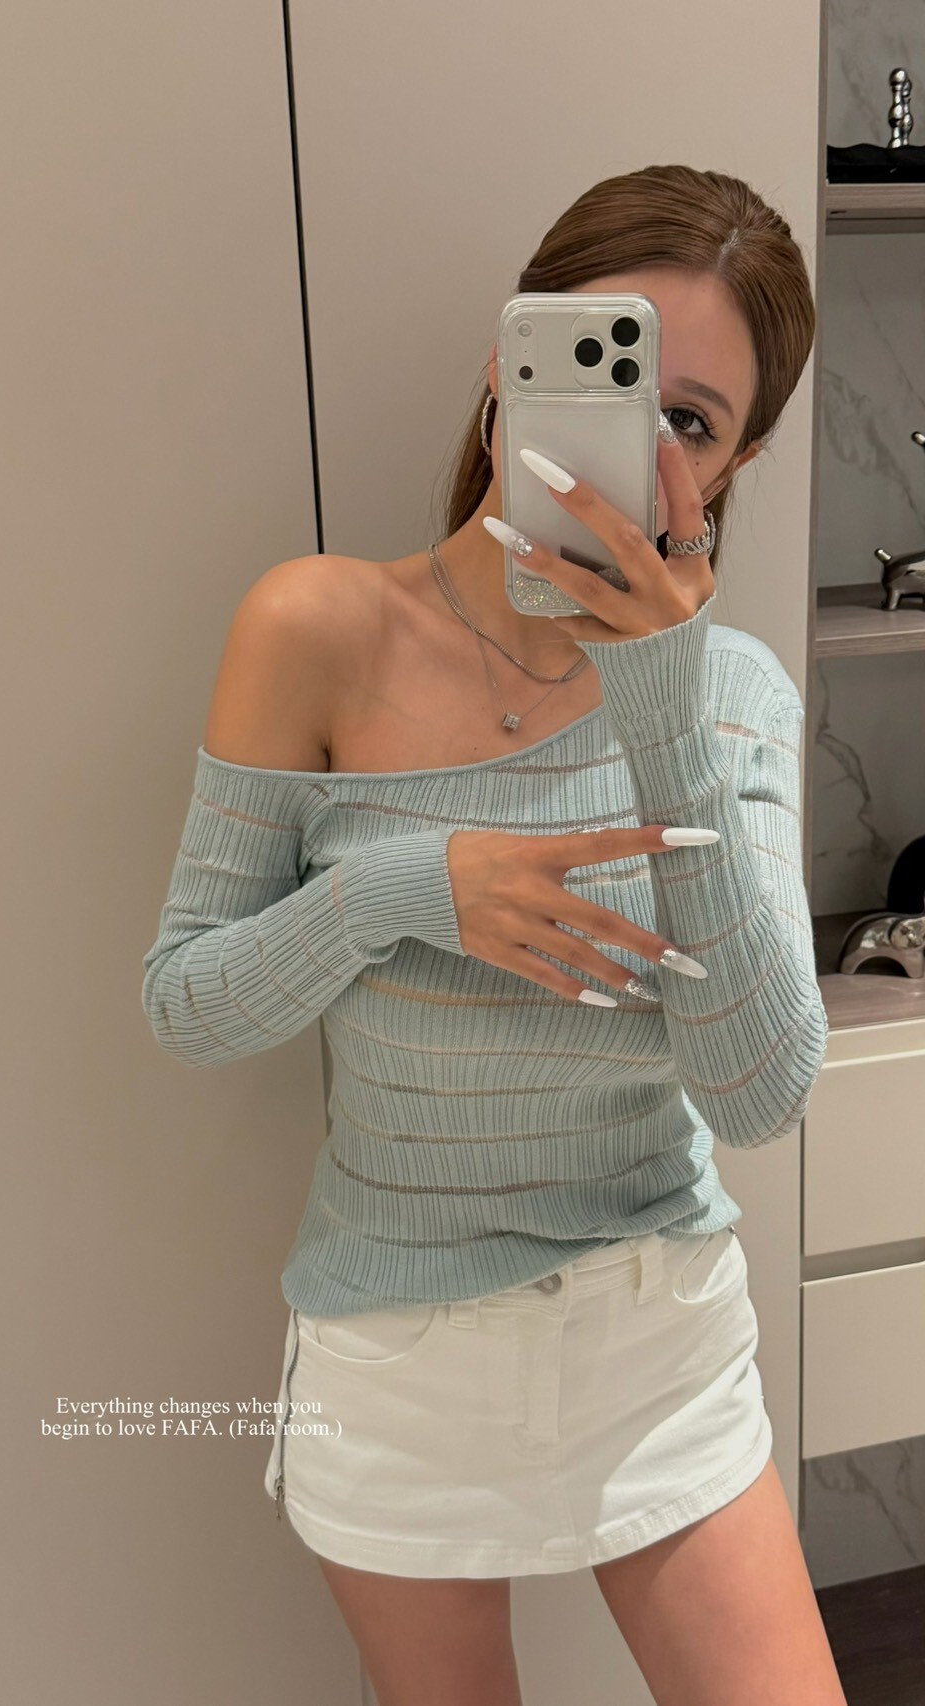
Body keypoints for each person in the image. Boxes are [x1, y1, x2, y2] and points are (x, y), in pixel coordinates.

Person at [142, 163, 847, 1706]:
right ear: (505, 360)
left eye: (691, 420)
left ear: (735, 465)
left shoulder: (729, 696)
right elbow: (187, 1002)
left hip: (657, 1341)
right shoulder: (318, 627)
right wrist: (410, 887)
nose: (638, 447)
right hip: (397, 1355)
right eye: (608, 373)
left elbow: (759, 1094)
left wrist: (662, 695)